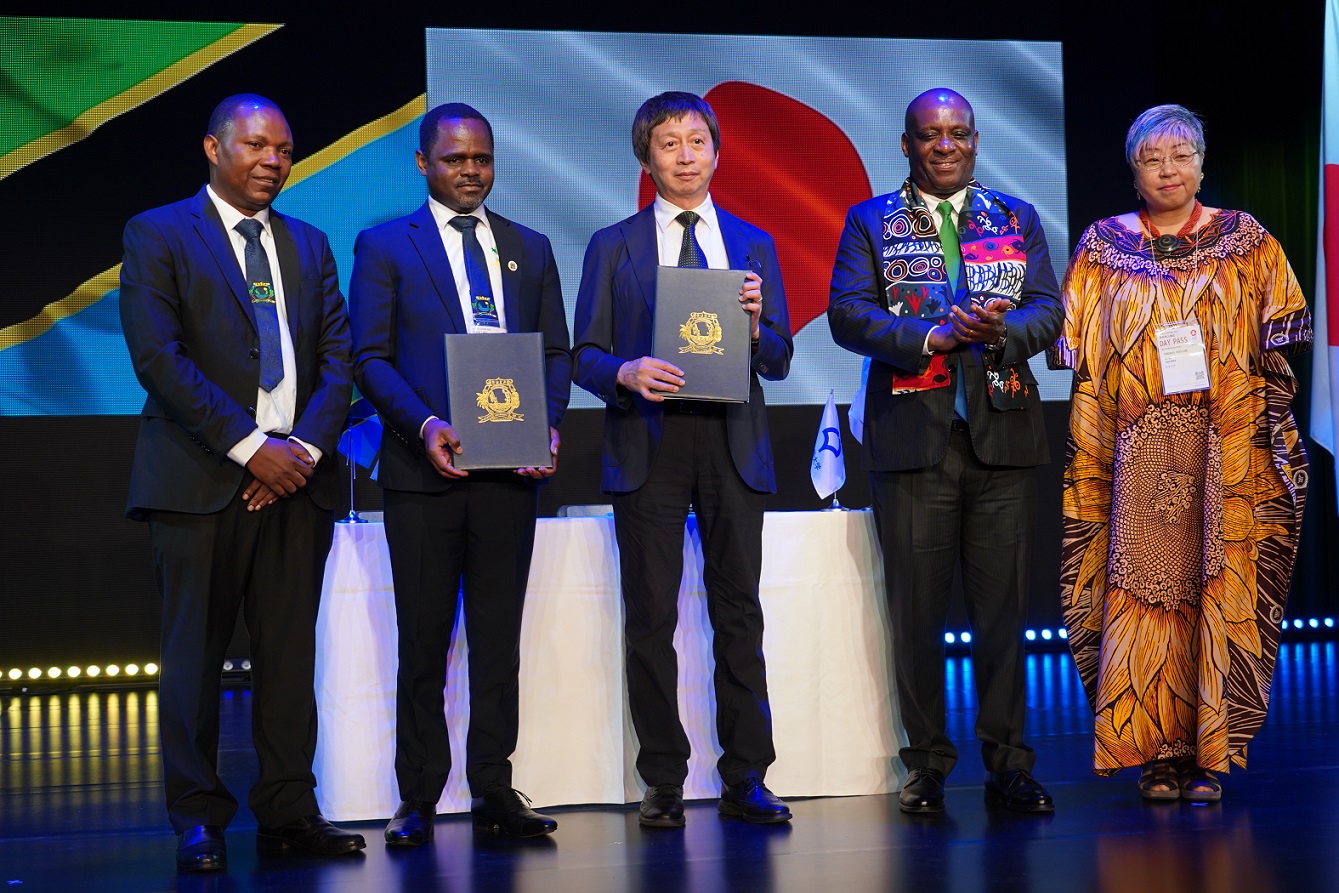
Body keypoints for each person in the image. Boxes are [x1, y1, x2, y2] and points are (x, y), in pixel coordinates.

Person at [119, 94, 363, 871]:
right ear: (213, 147)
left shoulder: (310, 243)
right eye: (256, 145)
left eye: (283, 149)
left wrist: (301, 453)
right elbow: (159, 358)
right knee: (194, 659)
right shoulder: (158, 232)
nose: (273, 160)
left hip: (297, 483)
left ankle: (289, 810)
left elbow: (338, 360)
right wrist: (252, 449)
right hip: (198, 481)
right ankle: (197, 818)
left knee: (288, 660)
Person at [1048, 104, 1311, 803]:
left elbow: (1280, 344)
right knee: (1139, 597)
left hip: (1221, 453)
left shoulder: (1246, 240)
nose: (1167, 170)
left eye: (1180, 155)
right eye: (1151, 159)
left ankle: (1208, 752)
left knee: (1215, 591)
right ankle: (1153, 753)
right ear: (1132, 171)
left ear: (1200, 161)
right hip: (1132, 458)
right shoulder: (1101, 245)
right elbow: (1074, 357)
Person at [827, 88, 1061, 815]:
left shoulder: (1014, 217)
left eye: (958, 133)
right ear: (906, 145)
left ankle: (1008, 764)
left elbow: (1049, 310)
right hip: (911, 440)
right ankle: (925, 764)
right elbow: (847, 313)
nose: (945, 145)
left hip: (1001, 438)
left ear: (976, 140)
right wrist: (932, 335)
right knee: (917, 616)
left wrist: (1000, 331)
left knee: (1002, 617)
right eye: (930, 135)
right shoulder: (870, 220)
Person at [348, 103, 571, 844]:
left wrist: (546, 422)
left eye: (481, 158)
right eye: (454, 159)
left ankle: (493, 787)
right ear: (423, 162)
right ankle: (417, 796)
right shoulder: (385, 245)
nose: (470, 171)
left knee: (498, 642)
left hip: (510, 475)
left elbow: (555, 352)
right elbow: (368, 356)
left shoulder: (530, 247)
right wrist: (425, 425)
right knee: (424, 640)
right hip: (424, 473)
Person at [572, 91, 794, 827]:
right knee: (650, 618)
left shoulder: (752, 242)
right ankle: (662, 777)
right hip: (650, 441)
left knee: (740, 614)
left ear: (717, 152)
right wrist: (625, 370)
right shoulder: (613, 244)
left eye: (697, 141)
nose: (685, 156)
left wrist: (757, 329)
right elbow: (583, 353)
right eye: (668, 144)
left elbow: (780, 358)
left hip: (733, 441)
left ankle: (747, 774)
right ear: (646, 158)